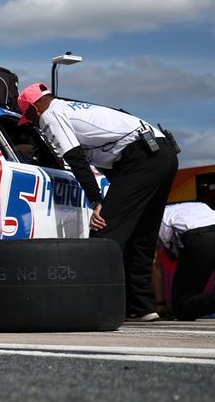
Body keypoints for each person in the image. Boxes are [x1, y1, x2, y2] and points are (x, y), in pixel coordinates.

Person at [17, 83, 179, 322]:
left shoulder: (51, 114)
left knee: (106, 233)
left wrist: (97, 201)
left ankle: (98, 304)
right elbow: (115, 163)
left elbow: (74, 158)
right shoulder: (76, 108)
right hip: (162, 155)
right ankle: (142, 306)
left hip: (141, 158)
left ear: (36, 107)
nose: (31, 122)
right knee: (141, 236)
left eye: (29, 116)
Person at [157, 201, 215, 321]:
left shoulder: (155, 218)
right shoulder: (196, 205)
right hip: (204, 229)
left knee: (182, 308)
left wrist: (160, 304)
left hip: (199, 236)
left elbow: (153, 265)